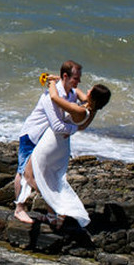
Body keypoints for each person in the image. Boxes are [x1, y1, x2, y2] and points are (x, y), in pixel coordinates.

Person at [17, 81, 112, 229]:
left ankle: (59, 208)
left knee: (30, 176)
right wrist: (61, 79)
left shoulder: (80, 111)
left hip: (51, 143)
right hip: (61, 146)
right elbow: (76, 91)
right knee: (50, 178)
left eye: (90, 90)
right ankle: (52, 215)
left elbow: (55, 98)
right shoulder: (91, 110)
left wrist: (52, 83)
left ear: (92, 96)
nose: (86, 91)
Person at [14, 60, 84, 224]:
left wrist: (56, 79)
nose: (78, 82)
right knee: (24, 173)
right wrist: (75, 129)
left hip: (46, 140)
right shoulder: (50, 96)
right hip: (32, 135)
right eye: (75, 78)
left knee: (45, 173)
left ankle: (52, 213)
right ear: (65, 76)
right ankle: (19, 209)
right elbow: (58, 126)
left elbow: (86, 98)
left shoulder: (70, 93)